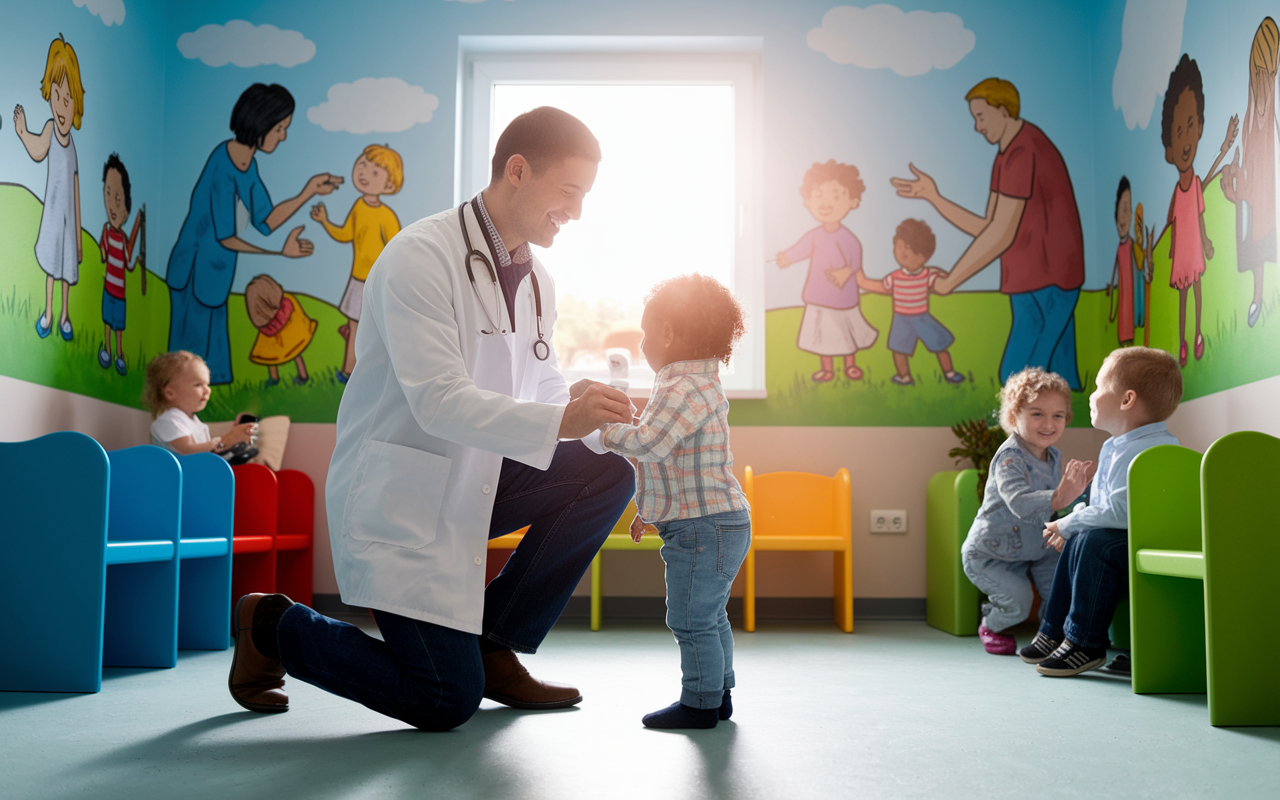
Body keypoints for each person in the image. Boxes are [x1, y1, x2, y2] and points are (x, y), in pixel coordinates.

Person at [226, 107, 636, 731]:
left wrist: (601, 419)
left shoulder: (537, 280)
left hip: (480, 479)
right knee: (444, 699)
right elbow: (439, 400)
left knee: (610, 472)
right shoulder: (421, 255)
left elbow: (540, 381)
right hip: (405, 497)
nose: (576, 212)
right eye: (570, 192)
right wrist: (562, 420)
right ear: (518, 171)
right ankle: (272, 626)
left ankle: (493, 643)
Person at [594, 274, 750, 729]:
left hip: (705, 527)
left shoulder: (683, 386)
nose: (642, 344)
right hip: (713, 522)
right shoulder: (692, 384)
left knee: (689, 617)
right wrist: (649, 512)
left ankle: (699, 703)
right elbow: (674, 462)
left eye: (645, 333)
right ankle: (718, 694)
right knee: (710, 614)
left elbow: (652, 443)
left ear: (668, 333)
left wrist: (603, 434)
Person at [891, 78, 1085, 389]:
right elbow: (987, 227)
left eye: (980, 116)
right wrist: (934, 197)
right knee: (1051, 378)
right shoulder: (1004, 156)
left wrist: (951, 281)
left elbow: (1000, 234)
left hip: (1052, 277)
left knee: (1021, 379)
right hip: (1026, 276)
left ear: (1003, 110)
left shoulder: (1025, 150)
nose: (977, 126)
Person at [1020, 347, 1183, 676]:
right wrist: (1072, 524)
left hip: (1145, 543)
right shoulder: (1118, 445)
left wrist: (1068, 523)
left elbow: (1120, 512)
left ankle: (1085, 643)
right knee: (1083, 538)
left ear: (1126, 400)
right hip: (1125, 542)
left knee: (1091, 541)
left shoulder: (1150, 449)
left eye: (1098, 387)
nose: (1091, 396)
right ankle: (1054, 631)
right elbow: (1100, 505)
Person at [166, 83, 343, 385]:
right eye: (279, 128)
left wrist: (308, 191)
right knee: (186, 367)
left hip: (218, 272)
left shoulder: (248, 165)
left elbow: (266, 220)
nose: (283, 135)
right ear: (261, 124)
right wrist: (279, 253)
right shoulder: (222, 164)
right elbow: (225, 237)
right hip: (194, 271)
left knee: (214, 369)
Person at [960, 368, 1093, 655]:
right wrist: (1059, 497)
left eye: (1058, 415)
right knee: (1017, 605)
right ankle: (991, 624)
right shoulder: (1009, 458)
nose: (1049, 424)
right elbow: (1019, 502)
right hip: (992, 553)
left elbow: (1059, 505)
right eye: (1037, 414)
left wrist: (1078, 498)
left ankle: (1051, 635)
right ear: (1013, 417)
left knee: (1060, 590)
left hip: (1036, 547)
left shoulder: (1053, 455)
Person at [1159, 55, 1237, 367]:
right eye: (1178, 131)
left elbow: (1199, 215)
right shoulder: (1177, 193)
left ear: (1200, 127)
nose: (1186, 138)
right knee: (1182, 295)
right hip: (1181, 252)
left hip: (1194, 249)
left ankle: (1198, 334)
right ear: (1169, 149)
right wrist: (1167, 252)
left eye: (1191, 125)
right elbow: (1172, 225)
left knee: (1198, 290)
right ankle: (1181, 340)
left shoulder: (1194, 186)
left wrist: (1204, 241)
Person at [775, 160, 878, 382]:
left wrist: (846, 272)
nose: (825, 202)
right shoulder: (814, 235)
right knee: (821, 336)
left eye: (836, 195)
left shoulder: (849, 239)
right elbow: (800, 250)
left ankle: (850, 365)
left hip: (843, 298)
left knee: (844, 332)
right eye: (818, 194)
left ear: (853, 201)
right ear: (808, 200)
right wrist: (786, 258)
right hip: (817, 297)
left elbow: (855, 263)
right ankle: (827, 369)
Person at [311, 144, 404, 383]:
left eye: (375, 172)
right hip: (357, 279)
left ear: (389, 185)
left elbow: (397, 248)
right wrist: (324, 221)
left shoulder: (387, 216)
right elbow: (345, 234)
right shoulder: (359, 207)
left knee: (380, 329)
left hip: (378, 281)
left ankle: (380, 374)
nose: (364, 173)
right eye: (362, 164)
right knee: (354, 326)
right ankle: (348, 371)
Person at [14, 35, 85, 342]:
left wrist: (80, 234)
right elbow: (38, 150)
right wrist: (21, 132)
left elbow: (77, 190)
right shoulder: (50, 132)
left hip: (70, 223)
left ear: (76, 106)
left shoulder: (73, 148)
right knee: (51, 269)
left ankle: (65, 316)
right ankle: (48, 313)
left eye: (67, 99)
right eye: (56, 96)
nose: (61, 105)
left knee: (67, 269)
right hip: (54, 218)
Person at [1219, 17, 1278, 330]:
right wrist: (1234, 173)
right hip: (1252, 194)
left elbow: (1265, 168)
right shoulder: (1250, 113)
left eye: (1263, 72)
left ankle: (1259, 297)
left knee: (1260, 242)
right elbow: (1247, 162)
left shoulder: (1269, 123)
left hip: (1263, 197)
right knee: (1252, 245)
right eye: (1255, 72)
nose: (1258, 79)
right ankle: (1257, 296)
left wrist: (1243, 187)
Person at [855, 219, 964, 385]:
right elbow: (882, 287)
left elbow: (943, 282)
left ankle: (949, 373)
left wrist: (940, 273)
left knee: (939, 344)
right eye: (899, 246)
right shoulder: (895, 277)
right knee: (898, 349)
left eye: (909, 248)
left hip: (922, 317)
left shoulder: (928, 274)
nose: (902, 252)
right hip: (901, 319)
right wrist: (862, 281)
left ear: (923, 256)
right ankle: (904, 376)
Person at [143, 350, 258, 460]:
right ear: (170, 392)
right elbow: (188, 451)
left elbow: (204, 453)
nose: (208, 390)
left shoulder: (193, 421)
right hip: (175, 479)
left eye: (207, 384)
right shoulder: (168, 420)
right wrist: (224, 442)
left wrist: (230, 439)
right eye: (198, 385)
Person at [98, 153, 143, 376]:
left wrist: (135, 262)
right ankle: (106, 350)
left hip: (120, 292)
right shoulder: (107, 232)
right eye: (108, 195)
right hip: (109, 289)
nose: (113, 205)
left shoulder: (123, 239)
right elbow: (103, 255)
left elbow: (127, 262)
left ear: (126, 207)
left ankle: (119, 354)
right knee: (108, 321)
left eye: (118, 199)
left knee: (119, 327)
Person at [244, 274, 316, 387]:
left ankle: (274, 378)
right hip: (292, 341)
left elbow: (267, 334)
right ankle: (303, 376)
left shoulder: (265, 320)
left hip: (277, 344)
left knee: (270, 357)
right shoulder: (288, 300)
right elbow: (299, 315)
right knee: (296, 353)